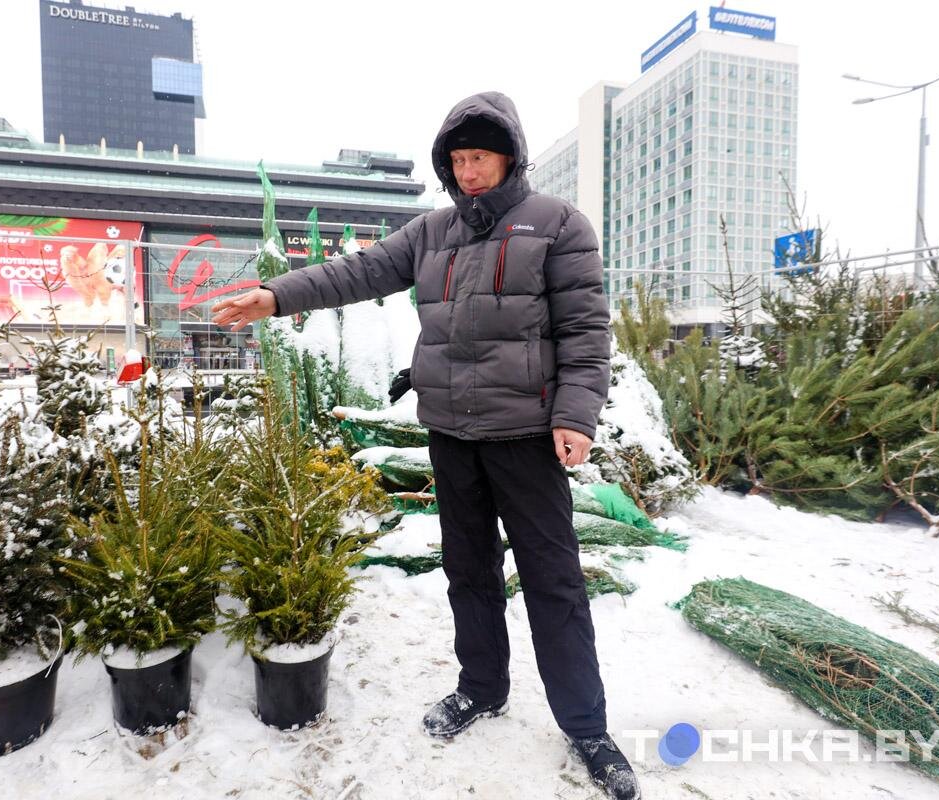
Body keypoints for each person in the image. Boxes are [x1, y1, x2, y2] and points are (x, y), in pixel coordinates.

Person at [212, 91, 638, 800]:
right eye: (458, 159)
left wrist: (576, 416)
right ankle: (481, 688)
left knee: (554, 584)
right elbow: (357, 271)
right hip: (451, 433)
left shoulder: (559, 225)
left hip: (526, 437)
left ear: (510, 157)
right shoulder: (431, 232)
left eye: (481, 157)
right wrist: (275, 295)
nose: (469, 171)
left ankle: (587, 726)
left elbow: (587, 336)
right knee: (467, 572)